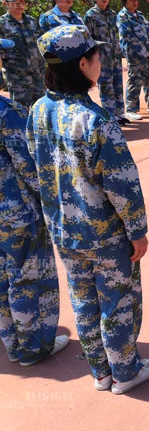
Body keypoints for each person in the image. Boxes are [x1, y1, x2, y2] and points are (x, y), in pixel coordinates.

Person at [27, 25, 149, 393]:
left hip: (64, 230)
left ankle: (100, 371)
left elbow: (35, 166)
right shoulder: (96, 120)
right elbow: (122, 184)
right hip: (104, 232)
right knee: (117, 301)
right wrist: (138, 231)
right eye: (97, 57)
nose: (101, 62)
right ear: (82, 64)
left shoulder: (38, 110)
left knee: (83, 297)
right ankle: (125, 371)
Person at [0, 37, 67, 367]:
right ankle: (32, 347)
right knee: (27, 277)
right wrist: (52, 203)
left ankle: (12, 341)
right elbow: (29, 167)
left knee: (2, 280)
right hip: (15, 214)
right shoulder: (6, 112)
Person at [84, 0, 127, 124]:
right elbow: (88, 38)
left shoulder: (112, 14)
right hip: (101, 58)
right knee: (106, 87)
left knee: (118, 85)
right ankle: (109, 116)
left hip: (115, 57)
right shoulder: (91, 15)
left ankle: (120, 114)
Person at [117, 0, 149, 120]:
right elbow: (128, 36)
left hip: (148, 55)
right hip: (135, 55)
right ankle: (131, 109)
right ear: (125, 1)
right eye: (131, 0)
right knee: (135, 80)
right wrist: (145, 52)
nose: (135, 2)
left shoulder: (140, 15)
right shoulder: (122, 17)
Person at [0, 0, 46, 108]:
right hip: (18, 79)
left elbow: (41, 45)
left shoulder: (32, 21)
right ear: (5, 3)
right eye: (15, 2)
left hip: (38, 76)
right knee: (21, 112)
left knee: (40, 110)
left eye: (21, 1)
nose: (19, 4)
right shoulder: (2, 24)